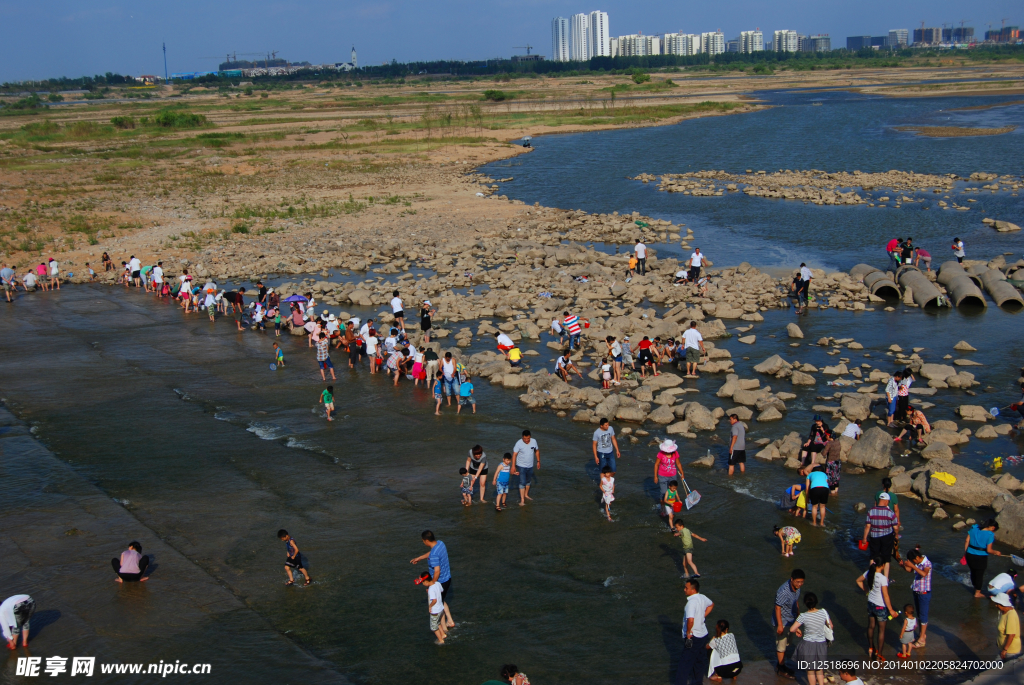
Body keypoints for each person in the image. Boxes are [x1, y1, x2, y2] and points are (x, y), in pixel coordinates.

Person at [857, 557, 899, 659]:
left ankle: (871, 648)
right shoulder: (882, 578)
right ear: (883, 565)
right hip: (880, 606)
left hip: (870, 603)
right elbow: (885, 595)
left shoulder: (869, 572)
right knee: (881, 631)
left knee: (871, 627)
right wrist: (891, 610)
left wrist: (866, 591)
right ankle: (879, 654)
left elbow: (858, 581)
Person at [410, 530, 454, 628]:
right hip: (447, 578)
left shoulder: (434, 554)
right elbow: (432, 552)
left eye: (423, 541)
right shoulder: (441, 543)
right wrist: (420, 558)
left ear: (426, 541)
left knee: (438, 606)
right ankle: (450, 621)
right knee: (441, 600)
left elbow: (437, 571)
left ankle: (444, 629)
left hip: (440, 581)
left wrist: (432, 585)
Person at [790, 592, 832, 685]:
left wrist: (798, 630)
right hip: (821, 644)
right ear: (816, 602)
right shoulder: (823, 612)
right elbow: (831, 626)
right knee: (819, 669)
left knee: (810, 670)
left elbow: (792, 629)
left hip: (808, 645)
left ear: (805, 603)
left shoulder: (803, 616)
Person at [677, 578, 713, 685]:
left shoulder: (691, 603)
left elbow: (690, 620)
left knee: (684, 663)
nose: (684, 590)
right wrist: (702, 617)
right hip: (703, 635)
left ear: (693, 590)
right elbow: (711, 605)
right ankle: (697, 682)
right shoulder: (703, 598)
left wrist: (688, 633)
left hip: (693, 637)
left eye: (686, 588)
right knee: (699, 661)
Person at [773, 569, 805, 674]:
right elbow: (777, 607)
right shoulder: (783, 591)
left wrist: (797, 623)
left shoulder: (797, 588)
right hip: (782, 620)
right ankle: (781, 667)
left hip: (791, 619)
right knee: (781, 645)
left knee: (787, 644)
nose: (800, 584)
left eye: (801, 582)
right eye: (797, 582)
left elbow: (796, 603)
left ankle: (781, 664)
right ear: (792, 579)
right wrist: (780, 625)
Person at [964, 519, 1003, 598]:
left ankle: (975, 587)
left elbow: (966, 540)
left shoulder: (974, 528)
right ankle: (977, 593)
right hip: (980, 557)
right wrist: (996, 552)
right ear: (992, 527)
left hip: (969, 554)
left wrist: (966, 553)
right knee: (979, 575)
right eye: (994, 529)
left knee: (973, 572)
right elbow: (989, 550)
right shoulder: (989, 534)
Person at [902, 547, 932, 648]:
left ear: (917, 558)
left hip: (924, 593)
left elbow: (924, 573)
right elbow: (909, 570)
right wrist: (903, 565)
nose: (913, 562)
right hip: (917, 591)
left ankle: (922, 639)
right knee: (919, 615)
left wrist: (913, 566)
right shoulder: (917, 563)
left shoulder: (927, 563)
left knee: (923, 616)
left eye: (913, 561)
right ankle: (921, 634)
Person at [862, 493, 897, 575]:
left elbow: (867, 526)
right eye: (888, 501)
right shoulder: (890, 512)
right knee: (887, 558)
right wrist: (896, 535)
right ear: (885, 501)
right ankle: (885, 578)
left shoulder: (871, 511)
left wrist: (864, 538)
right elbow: (895, 527)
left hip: (874, 537)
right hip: (887, 537)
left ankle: (872, 575)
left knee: (873, 557)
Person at [415, 572, 448, 644]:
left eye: (423, 583)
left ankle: (440, 640)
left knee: (433, 627)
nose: (423, 584)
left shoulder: (431, 589)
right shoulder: (438, 583)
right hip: (441, 608)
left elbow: (434, 600)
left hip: (435, 611)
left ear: (426, 582)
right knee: (438, 622)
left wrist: (430, 606)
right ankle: (443, 635)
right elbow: (442, 590)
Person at [655, 440, 684, 516]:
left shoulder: (675, 453)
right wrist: (655, 476)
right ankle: (663, 508)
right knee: (663, 493)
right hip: (662, 476)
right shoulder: (660, 454)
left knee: (672, 492)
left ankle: (671, 507)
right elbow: (656, 464)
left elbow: (678, 463)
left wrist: (682, 473)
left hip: (672, 475)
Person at [512, 430, 540, 506]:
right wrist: (513, 466)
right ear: (522, 437)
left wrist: (538, 461)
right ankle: (522, 500)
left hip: (530, 465)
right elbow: (514, 454)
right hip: (521, 466)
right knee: (522, 482)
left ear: (530, 437)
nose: (527, 440)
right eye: (525, 439)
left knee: (528, 481)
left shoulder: (534, 441)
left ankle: (526, 495)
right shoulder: (519, 443)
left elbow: (536, 451)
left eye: (528, 438)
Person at [993, 593, 1022, 660]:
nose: (996, 605)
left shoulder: (1010, 615)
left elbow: (1011, 635)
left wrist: (1005, 650)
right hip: (1003, 648)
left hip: (1010, 651)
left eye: (997, 604)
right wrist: (998, 642)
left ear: (1002, 604)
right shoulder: (1003, 612)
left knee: (999, 667)